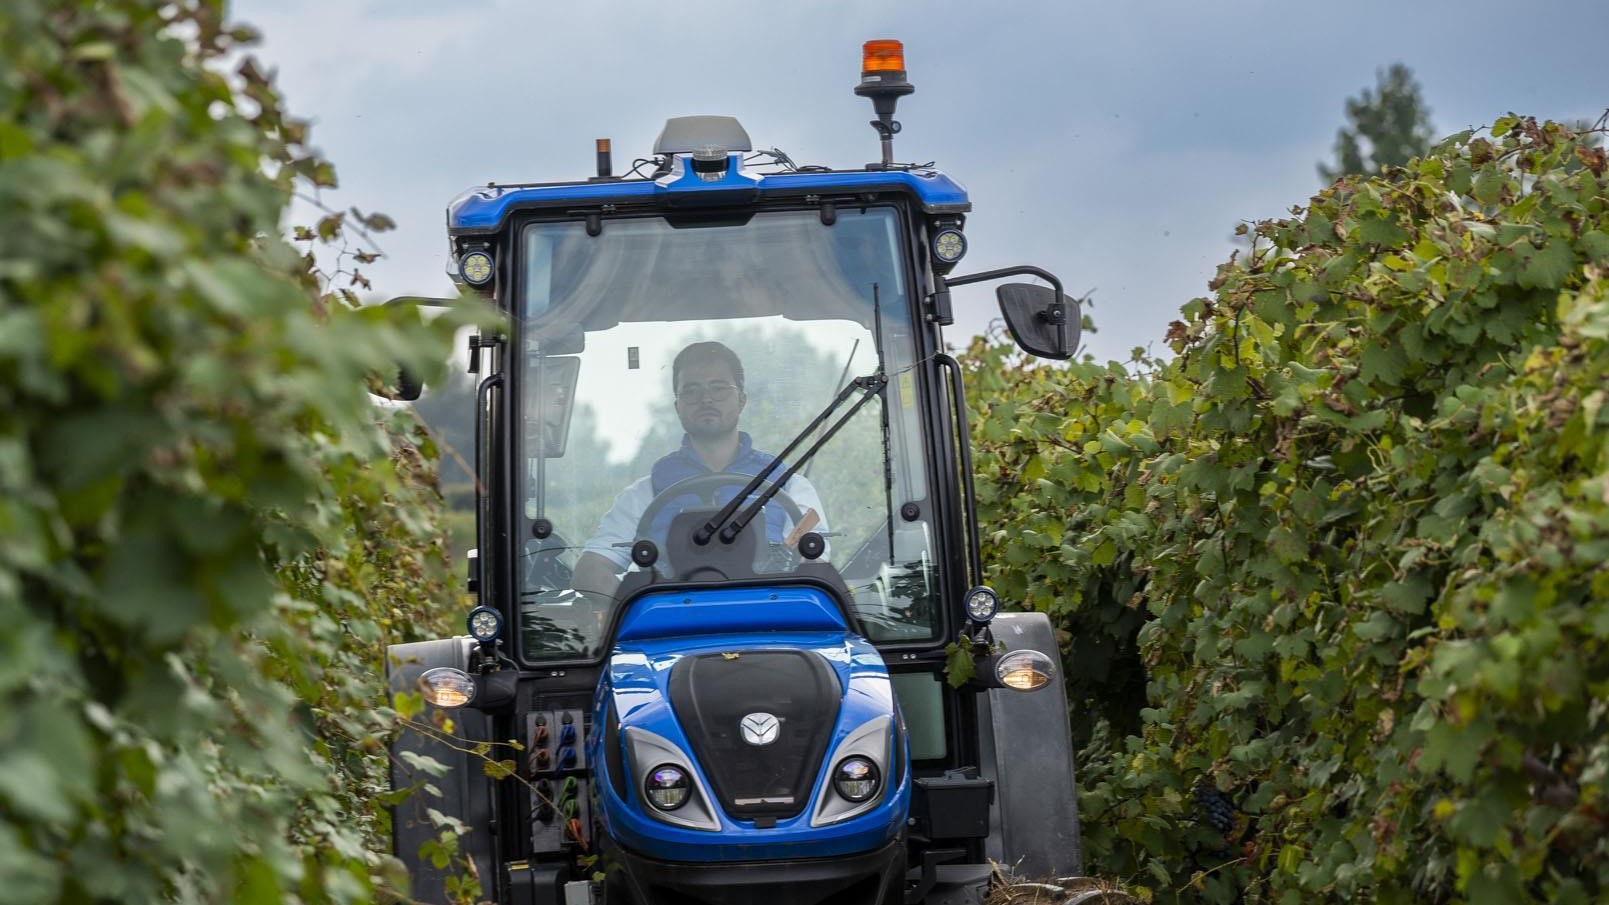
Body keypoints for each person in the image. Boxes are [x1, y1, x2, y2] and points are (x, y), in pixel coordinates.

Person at [571, 341, 826, 597]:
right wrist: (637, 613)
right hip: (669, 629)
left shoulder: (790, 486)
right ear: (677, 406)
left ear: (742, 399)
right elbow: (590, 568)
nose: (706, 399)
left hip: (773, 625)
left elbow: (815, 566)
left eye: (719, 388)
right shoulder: (643, 494)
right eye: (691, 391)